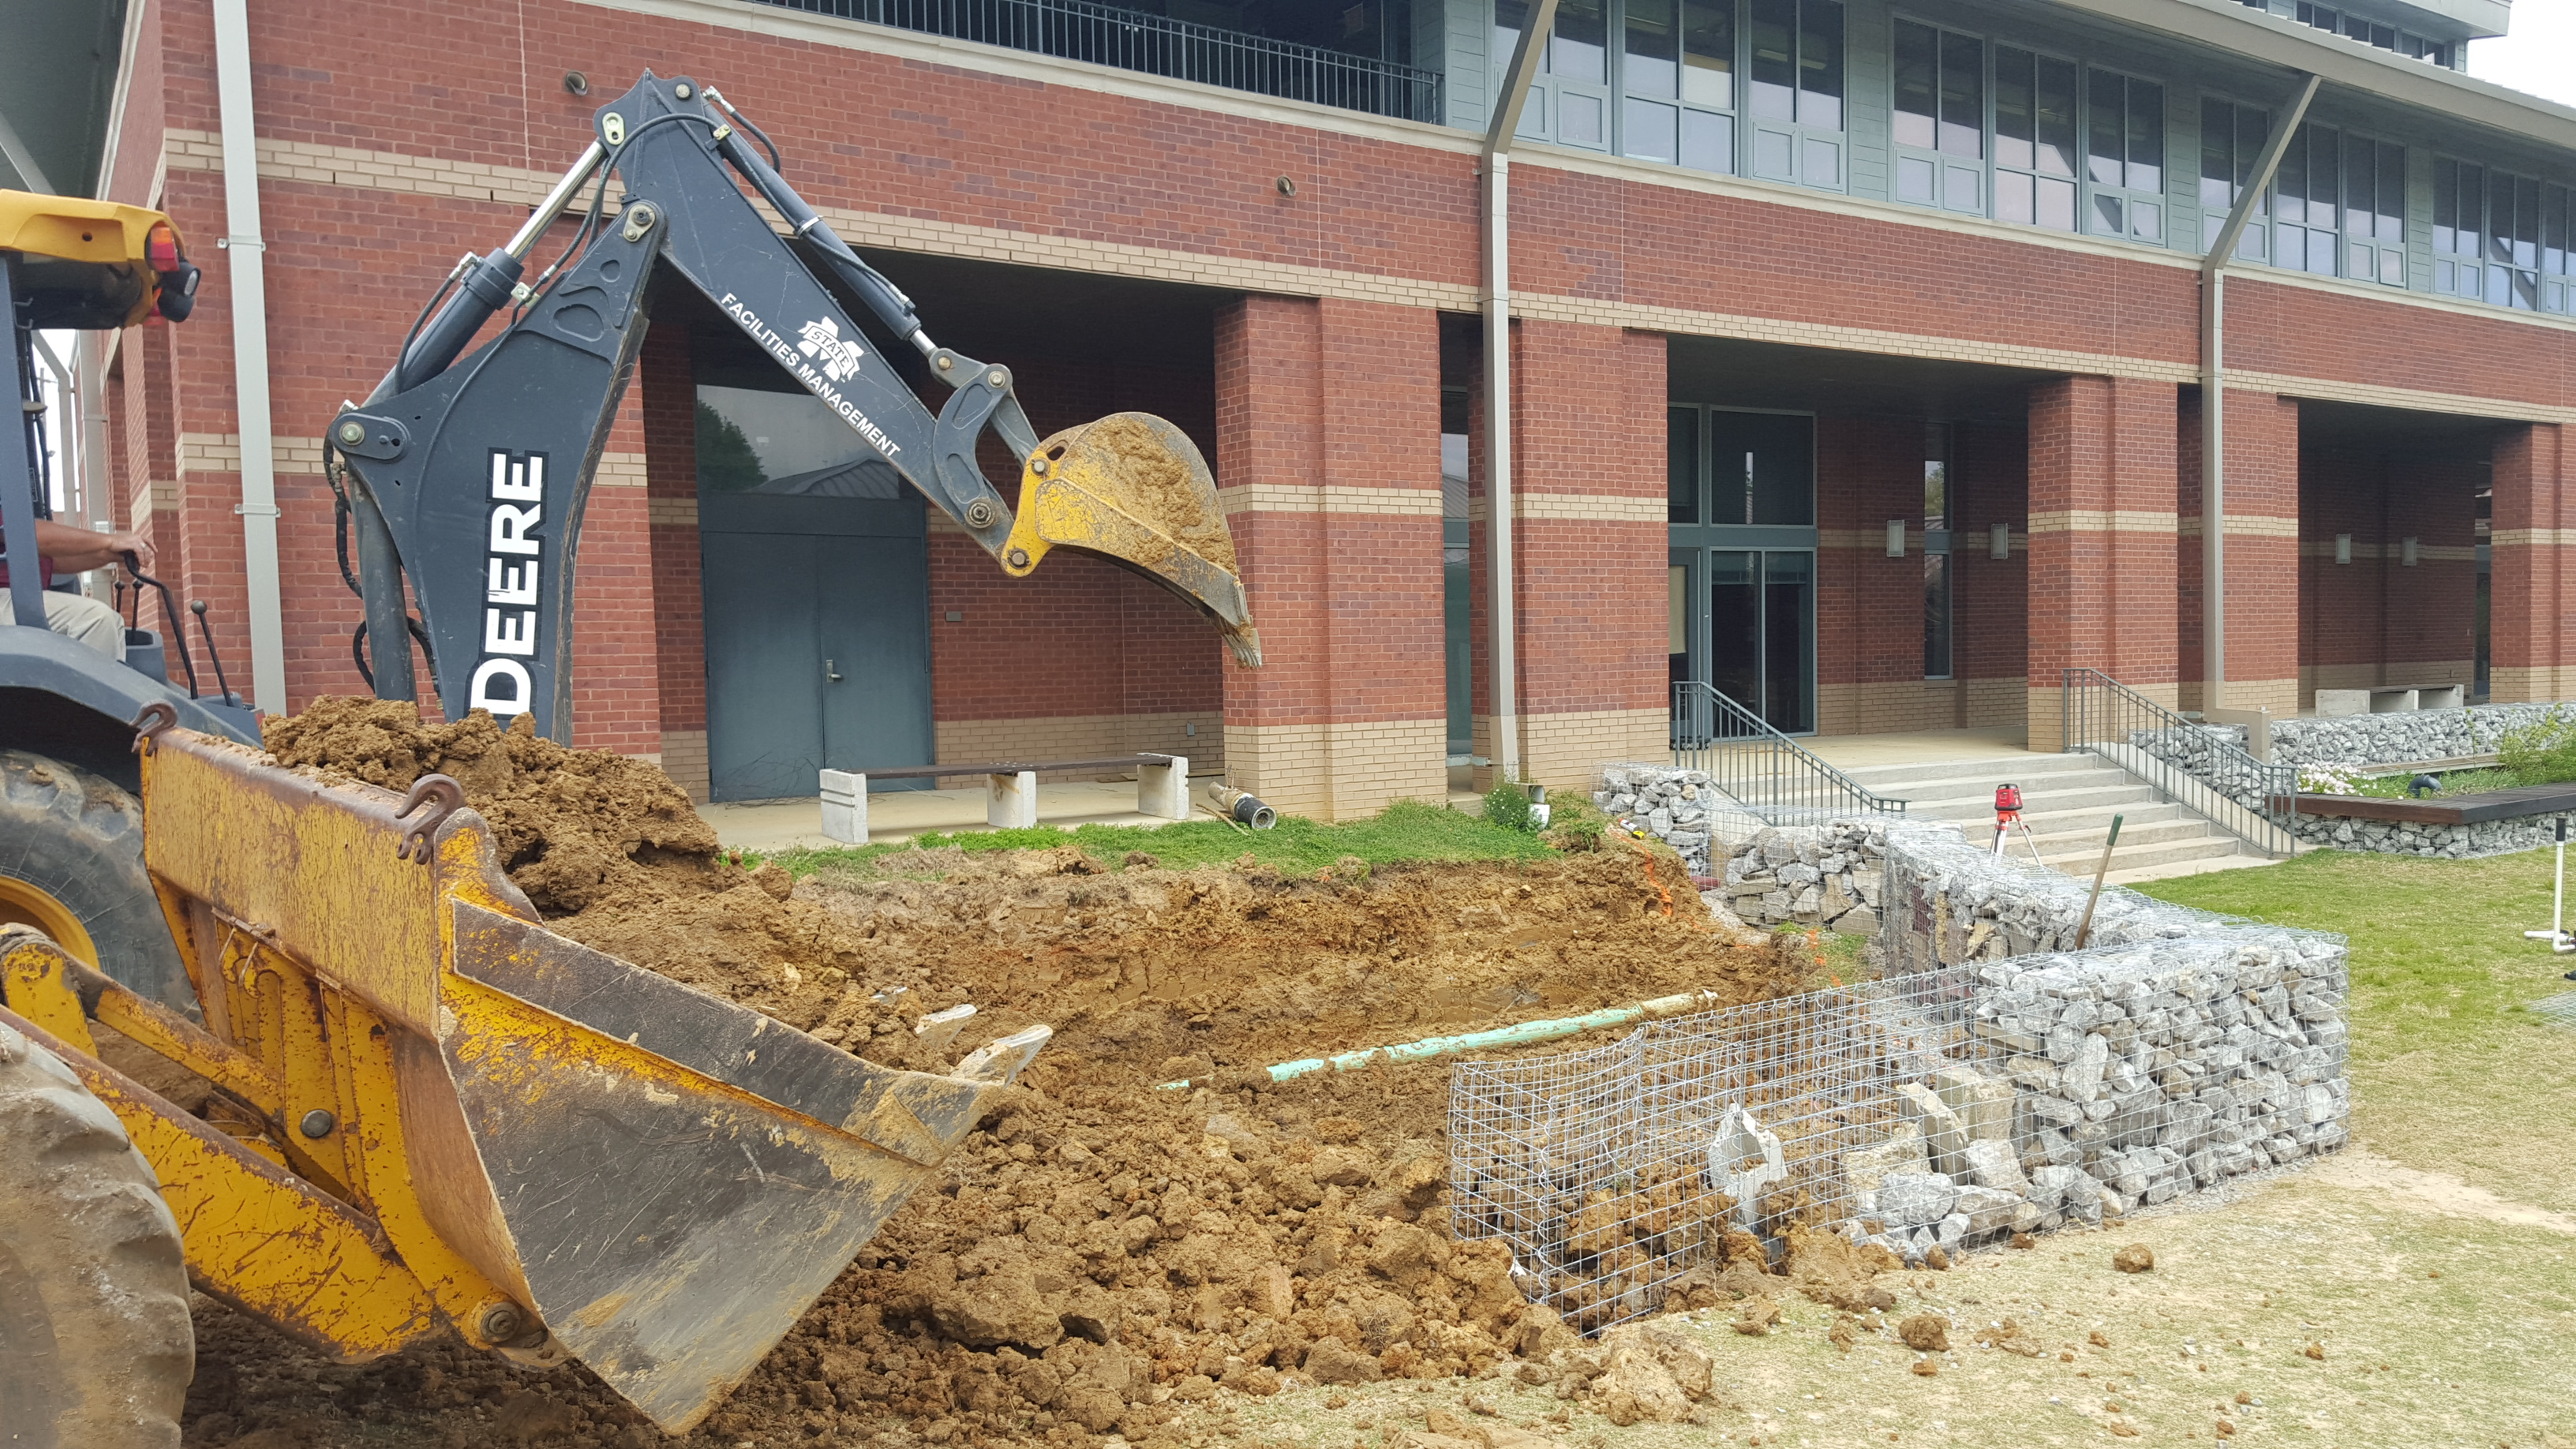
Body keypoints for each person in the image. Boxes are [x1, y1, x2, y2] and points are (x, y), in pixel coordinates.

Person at [0, 518, 153, 659]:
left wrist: (112, 555)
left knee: (113, 622)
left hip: (13, 598)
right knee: (95, 619)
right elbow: (24, 534)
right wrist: (110, 540)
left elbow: (52, 561)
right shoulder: (12, 512)